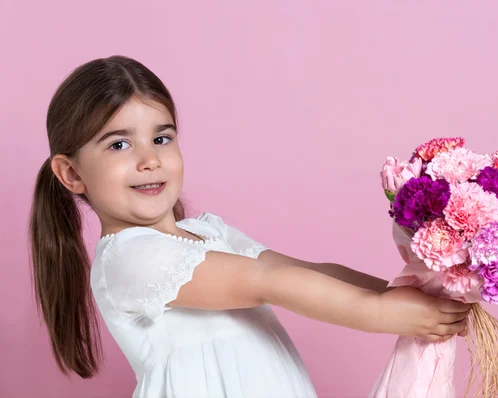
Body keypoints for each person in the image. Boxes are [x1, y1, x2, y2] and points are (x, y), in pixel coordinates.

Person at [29, 55, 471, 397]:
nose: (150, 159)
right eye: (119, 144)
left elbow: (303, 269)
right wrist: (379, 314)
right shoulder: (126, 259)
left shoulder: (209, 233)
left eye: (162, 138)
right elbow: (271, 281)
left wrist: (399, 294)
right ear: (71, 174)